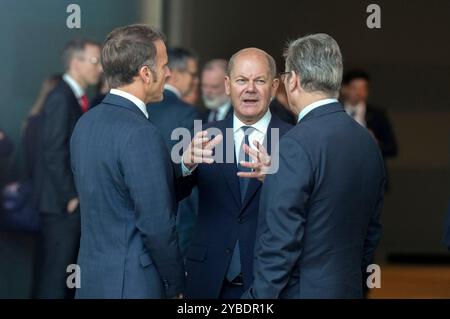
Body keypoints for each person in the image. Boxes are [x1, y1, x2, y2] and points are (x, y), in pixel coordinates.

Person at [244, 34, 385, 299]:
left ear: (292, 80)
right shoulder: (367, 142)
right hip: (348, 288)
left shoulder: (295, 143)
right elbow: (371, 232)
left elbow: (280, 241)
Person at [70, 24, 184, 299]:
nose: (169, 73)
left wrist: (183, 167)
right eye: (165, 65)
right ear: (146, 74)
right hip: (133, 285)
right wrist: (176, 285)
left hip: (91, 281)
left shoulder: (85, 123)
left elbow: (113, 195)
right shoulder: (141, 133)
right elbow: (157, 225)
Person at [178, 48, 292, 299]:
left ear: (274, 87)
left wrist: (275, 179)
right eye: (242, 80)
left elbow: (306, 209)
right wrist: (184, 165)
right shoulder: (202, 135)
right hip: (206, 279)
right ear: (228, 85)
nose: (250, 88)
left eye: (259, 81)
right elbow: (171, 197)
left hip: (268, 282)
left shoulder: (294, 141)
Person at [33, 39, 102, 299]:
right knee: (55, 278)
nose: (100, 69)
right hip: (61, 205)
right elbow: (53, 150)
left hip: (66, 203)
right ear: (76, 63)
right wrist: (70, 195)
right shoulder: (61, 96)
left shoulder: (77, 97)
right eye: (95, 61)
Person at [146, 47, 202, 258]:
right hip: (178, 213)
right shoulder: (187, 112)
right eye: (192, 74)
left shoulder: (144, 106)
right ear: (175, 73)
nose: (195, 80)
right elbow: (192, 167)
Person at [341, 69, 398, 191]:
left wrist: (376, 143)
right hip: (340, 177)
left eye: (363, 88)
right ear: (344, 89)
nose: (359, 92)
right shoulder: (335, 112)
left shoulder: (377, 115)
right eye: (355, 88)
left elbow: (392, 148)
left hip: (370, 179)